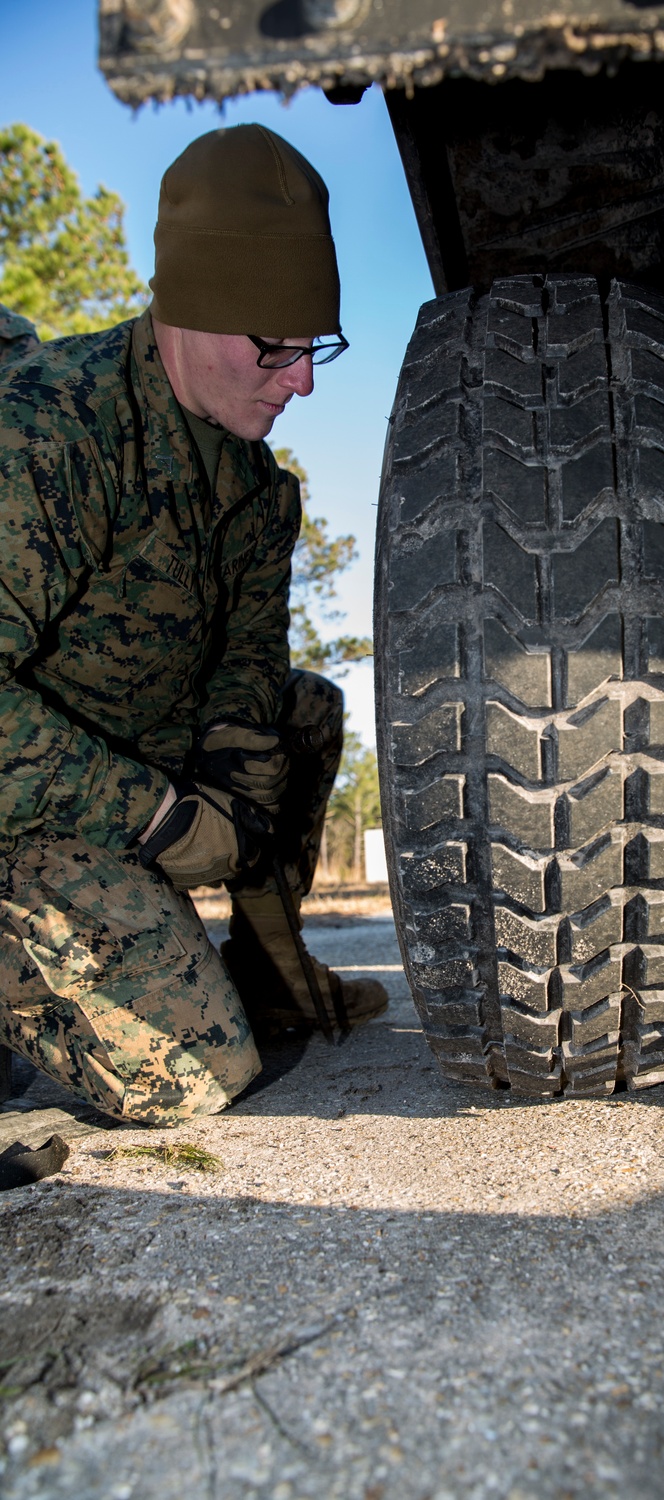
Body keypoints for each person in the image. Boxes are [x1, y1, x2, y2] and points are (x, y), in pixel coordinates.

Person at [0, 124, 387, 1127]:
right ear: (191, 310)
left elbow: (251, 662)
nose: (301, 380)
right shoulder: (52, 430)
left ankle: (267, 975)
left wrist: (227, 765)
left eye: (317, 348)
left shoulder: (260, 495)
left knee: (302, 713)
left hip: (129, 763)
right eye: (275, 347)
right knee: (190, 1076)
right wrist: (161, 820)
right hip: (26, 798)